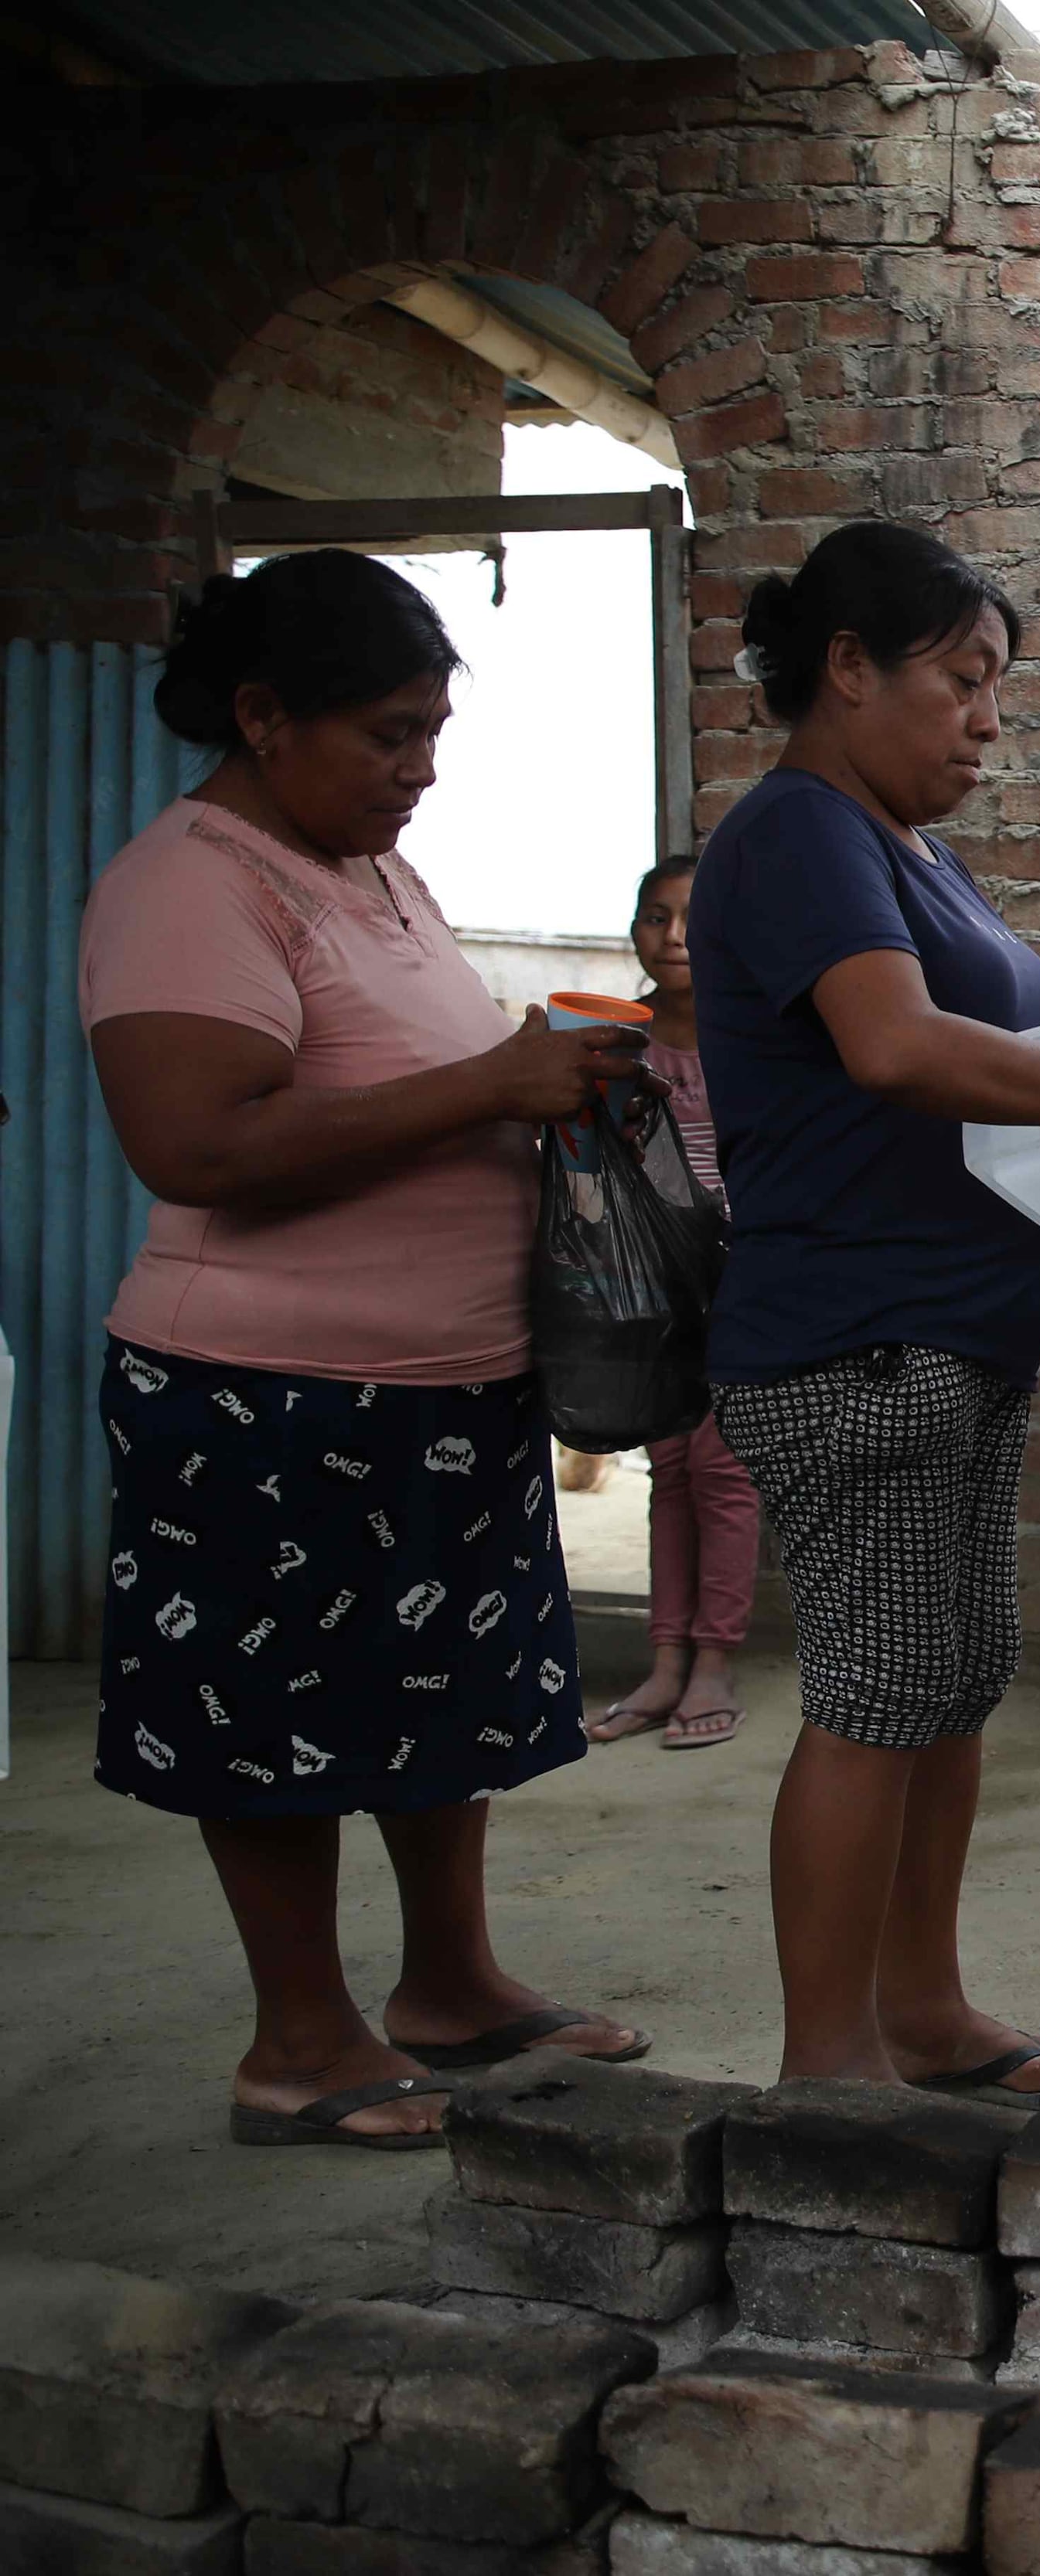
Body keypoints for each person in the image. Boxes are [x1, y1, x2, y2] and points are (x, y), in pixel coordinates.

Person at [80, 548, 650, 2146]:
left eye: (433, 732)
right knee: (274, 1716)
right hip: (265, 1394)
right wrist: (489, 1088)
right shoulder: (191, 884)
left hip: (435, 1391)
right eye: (389, 735)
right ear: (264, 717)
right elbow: (194, 1142)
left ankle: (449, 1984)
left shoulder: (372, 875)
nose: (422, 769)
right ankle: (300, 2042)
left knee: (428, 1695)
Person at [694, 521, 1040, 2105]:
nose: (987, 720)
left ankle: (923, 2011)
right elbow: (895, 1049)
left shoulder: (894, 846)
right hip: (850, 1338)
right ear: (849, 670)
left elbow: (984, 1052)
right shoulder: (801, 833)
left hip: (948, 1332)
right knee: (877, 1689)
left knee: (945, 1679)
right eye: (963, 680)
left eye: (996, 687)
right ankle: (830, 2062)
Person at [591, 858, 753, 1751]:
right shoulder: (616, 1043)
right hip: (649, 1289)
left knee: (723, 1472)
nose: (675, 937)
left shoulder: (753, 1037)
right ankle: (664, 1662)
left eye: (694, 919)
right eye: (656, 918)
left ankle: (715, 1658)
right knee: (670, 1473)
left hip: (742, 1280)